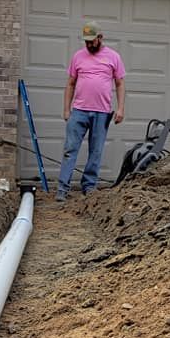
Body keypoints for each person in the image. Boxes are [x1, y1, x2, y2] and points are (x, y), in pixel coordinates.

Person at [56, 21, 125, 202]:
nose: (88, 44)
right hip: (79, 111)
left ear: (100, 38)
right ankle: (62, 189)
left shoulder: (113, 57)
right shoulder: (78, 57)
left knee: (96, 151)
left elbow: (119, 83)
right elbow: (70, 83)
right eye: (86, 41)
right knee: (70, 149)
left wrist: (120, 109)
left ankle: (89, 187)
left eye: (91, 41)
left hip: (102, 112)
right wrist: (66, 109)